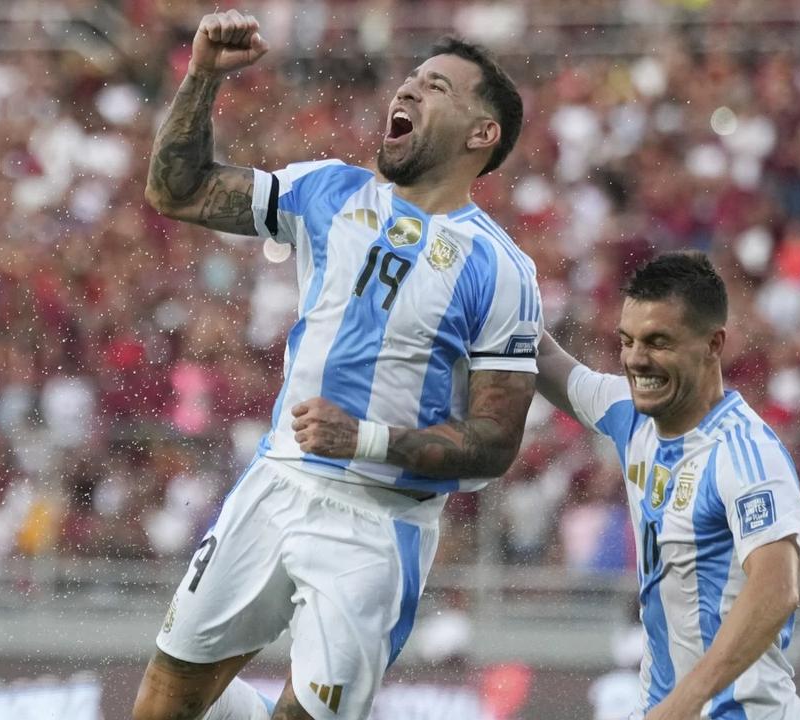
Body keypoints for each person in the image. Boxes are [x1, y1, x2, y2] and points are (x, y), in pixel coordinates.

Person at [136, 10, 537, 720]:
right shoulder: (329, 191)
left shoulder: (500, 269)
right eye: (409, 81)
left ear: (482, 135)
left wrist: (367, 441)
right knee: (163, 705)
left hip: (378, 523)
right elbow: (178, 190)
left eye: (436, 86)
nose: (407, 92)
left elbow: (496, 442)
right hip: (276, 480)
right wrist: (201, 77)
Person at [536, 251, 800, 719]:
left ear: (713, 344)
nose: (636, 360)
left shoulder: (744, 455)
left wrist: (685, 702)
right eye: (628, 341)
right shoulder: (631, 415)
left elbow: (776, 590)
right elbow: (541, 357)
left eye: (658, 342)